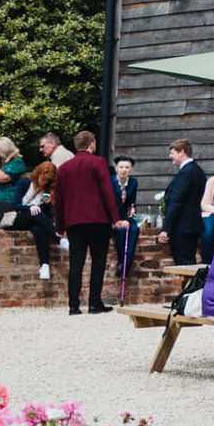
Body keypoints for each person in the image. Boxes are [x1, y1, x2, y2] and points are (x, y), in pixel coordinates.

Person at [51, 131, 121, 316]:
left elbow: (59, 199)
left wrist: (60, 226)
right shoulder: (98, 163)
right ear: (92, 144)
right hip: (98, 218)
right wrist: (116, 218)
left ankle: (73, 306)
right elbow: (107, 191)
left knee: (76, 262)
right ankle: (94, 303)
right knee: (98, 260)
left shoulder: (64, 168)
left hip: (74, 220)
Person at [159, 141, 205, 266]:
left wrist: (166, 229)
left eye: (172, 153)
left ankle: (190, 286)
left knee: (184, 266)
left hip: (182, 227)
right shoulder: (198, 171)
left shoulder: (186, 173)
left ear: (182, 152)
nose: (170, 156)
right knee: (188, 265)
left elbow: (176, 202)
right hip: (191, 225)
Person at [20, 162, 61, 282]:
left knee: (39, 230)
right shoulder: (25, 183)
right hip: (20, 216)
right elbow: (15, 204)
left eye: (48, 182)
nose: (44, 183)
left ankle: (45, 266)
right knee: (36, 212)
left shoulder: (47, 189)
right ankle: (59, 239)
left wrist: (47, 203)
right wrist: (29, 207)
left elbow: (45, 215)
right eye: (44, 180)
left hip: (36, 221)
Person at [111, 156, 140, 298]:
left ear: (131, 169)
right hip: (113, 217)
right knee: (121, 231)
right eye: (121, 167)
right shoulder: (110, 181)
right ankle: (123, 262)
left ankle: (126, 263)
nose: (124, 170)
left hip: (126, 216)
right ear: (116, 168)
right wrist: (117, 220)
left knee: (134, 229)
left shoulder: (133, 183)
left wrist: (130, 214)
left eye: (127, 167)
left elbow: (131, 202)